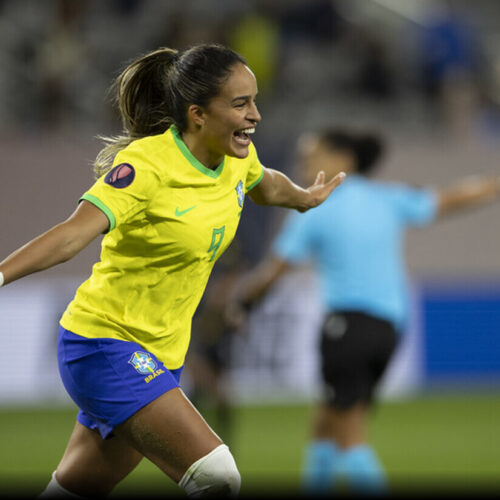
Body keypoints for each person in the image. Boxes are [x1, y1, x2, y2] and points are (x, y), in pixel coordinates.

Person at [0, 44, 346, 498]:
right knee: (217, 476)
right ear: (198, 114)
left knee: (76, 489)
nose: (255, 114)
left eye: (255, 100)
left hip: (162, 356)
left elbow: (264, 182)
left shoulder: (237, 158)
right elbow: (71, 235)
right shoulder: (146, 165)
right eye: (240, 103)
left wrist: (301, 197)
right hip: (103, 343)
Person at [225, 127, 500, 495]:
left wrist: (241, 304)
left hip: (347, 327)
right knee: (325, 423)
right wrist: (493, 185)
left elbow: (273, 272)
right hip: (388, 330)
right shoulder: (386, 198)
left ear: (343, 159)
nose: (303, 163)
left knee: (349, 437)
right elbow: (450, 198)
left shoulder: (312, 206)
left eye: (312, 155)